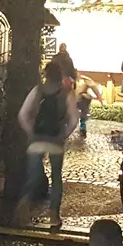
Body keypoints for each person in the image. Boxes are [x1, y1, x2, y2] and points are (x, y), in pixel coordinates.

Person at [16, 60, 80, 231]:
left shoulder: (37, 90)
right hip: (56, 141)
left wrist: (31, 132)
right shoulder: (66, 93)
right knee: (56, 177)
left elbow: (23, 114)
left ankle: (26, 201)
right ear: (60, 76)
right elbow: (74, 120)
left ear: (45, 74)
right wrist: (63, 134)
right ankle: (54, 215)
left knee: (34, 176)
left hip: (36, 140)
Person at [75, 74, 102, 139]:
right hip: (79, 98)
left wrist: (99, 97)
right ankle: (82, 128)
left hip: (81, 98)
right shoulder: (76, 80)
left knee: (82, 114)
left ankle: (82, 129)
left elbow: (92, 86)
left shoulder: (84, 80)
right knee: (82, 114)